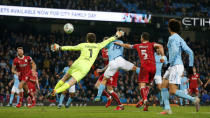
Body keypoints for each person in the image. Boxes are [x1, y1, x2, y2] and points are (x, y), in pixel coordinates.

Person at [49, 31, 124, 97]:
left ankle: (53, 90)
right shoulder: (98, 46)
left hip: (77, 63)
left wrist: (59, 47)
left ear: (87, 40)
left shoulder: (83, 45)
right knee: (71, 82)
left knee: (64, 78)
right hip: (85, 68)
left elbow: (71, 47)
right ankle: (55, 92)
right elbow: (108, 40)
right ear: (94, 40)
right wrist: (117, 35)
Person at [113, 32, 165, 111]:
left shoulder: (138, 45)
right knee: (148, 86)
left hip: (145, 67)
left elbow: (128, 46)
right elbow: (160, 46)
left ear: (142, 38)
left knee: (141, 85)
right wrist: (163, 56)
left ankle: (144, 100)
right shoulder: (152, 44)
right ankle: (145, 105)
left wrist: (120, 44)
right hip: (153, 67)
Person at [160, 19, 200, 114]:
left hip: (175, 66)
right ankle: (167, 108)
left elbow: (173, 51)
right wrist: (190, 67)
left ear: (169, 28)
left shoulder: (172, 38)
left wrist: (169, 63)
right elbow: (191, 52)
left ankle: (194, 99)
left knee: (173, 91)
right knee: (163, 86)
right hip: (176, 66)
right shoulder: (180, 38)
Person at [95, 37, 120, 110]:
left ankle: (120, 105)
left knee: (110, 90)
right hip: (107, 70)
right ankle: (109, 97)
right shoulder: (103, 49)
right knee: (97, 86)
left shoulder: (112, 50)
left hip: (113, 70)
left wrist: (102, 69)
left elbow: (111, 62)